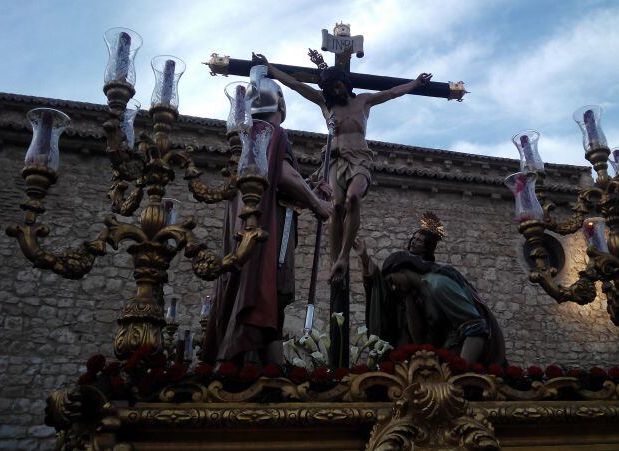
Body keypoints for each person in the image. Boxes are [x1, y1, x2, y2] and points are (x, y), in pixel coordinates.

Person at [252, 52, 432, 286]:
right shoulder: (325, 104)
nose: (336, 91)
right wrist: (271, 68)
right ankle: (334, 260)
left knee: (353, 198)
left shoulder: (363, 101)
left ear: (345, 84)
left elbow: (391, 93)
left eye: (338, 85)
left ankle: (345, 256)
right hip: (334, 159)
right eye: (331, 88)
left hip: (359, 158)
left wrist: (415, 83)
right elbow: (296, 85)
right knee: (336, 207)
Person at [202, 70, 333, 366]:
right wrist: (317, 204)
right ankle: (262, 370)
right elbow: (286, 177)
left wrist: (310, 188)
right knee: (267, 296)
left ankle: (266, 368)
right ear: (282, 106)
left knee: (265, 301)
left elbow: (277, 184)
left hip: (249, 228)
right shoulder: (272, 134)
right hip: (266, 234)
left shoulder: (247, 137)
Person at [371, 250, 505, 364]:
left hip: (461, 357)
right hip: (445, 355)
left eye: (391, 281)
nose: (394, 288)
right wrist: (408, 298)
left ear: (402, 269)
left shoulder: (438, 285)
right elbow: (420, 340)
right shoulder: (418, 295)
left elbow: (476, 328)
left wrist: (461, 372)